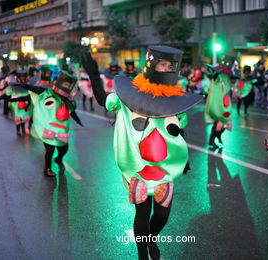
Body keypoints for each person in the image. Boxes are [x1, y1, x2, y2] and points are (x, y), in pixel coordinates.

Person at [81, 45, 202, 260]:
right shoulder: (128, 96)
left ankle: (151, 238)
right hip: (139, 167)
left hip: (165, 169)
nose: (166, 69)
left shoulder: (175, 99)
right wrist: (93, 74)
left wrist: (185, 161)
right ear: (151, 63)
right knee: (142, 214)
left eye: (170, 66)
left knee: (163, 214)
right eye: (162, 64)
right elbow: (103, 101)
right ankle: (142, 255)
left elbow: (178, 129)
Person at [10, 70, 83, 176]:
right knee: (50, 149)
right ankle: (47, 169)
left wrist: (78, 120)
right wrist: (23, 85)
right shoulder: (47, 93)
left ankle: (59, 159)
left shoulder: (67, 100)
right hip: (48, 126)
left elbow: (72, 111)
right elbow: (36, 89)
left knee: (64, 148)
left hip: (62, 129)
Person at [204, 61, 235, 150]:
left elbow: (226, 92)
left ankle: (217, 137)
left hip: (223, 105)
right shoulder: (218, 80)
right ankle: (211, 141)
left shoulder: (225, 80)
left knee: (223, 124)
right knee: (217, 124)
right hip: (217, 106)